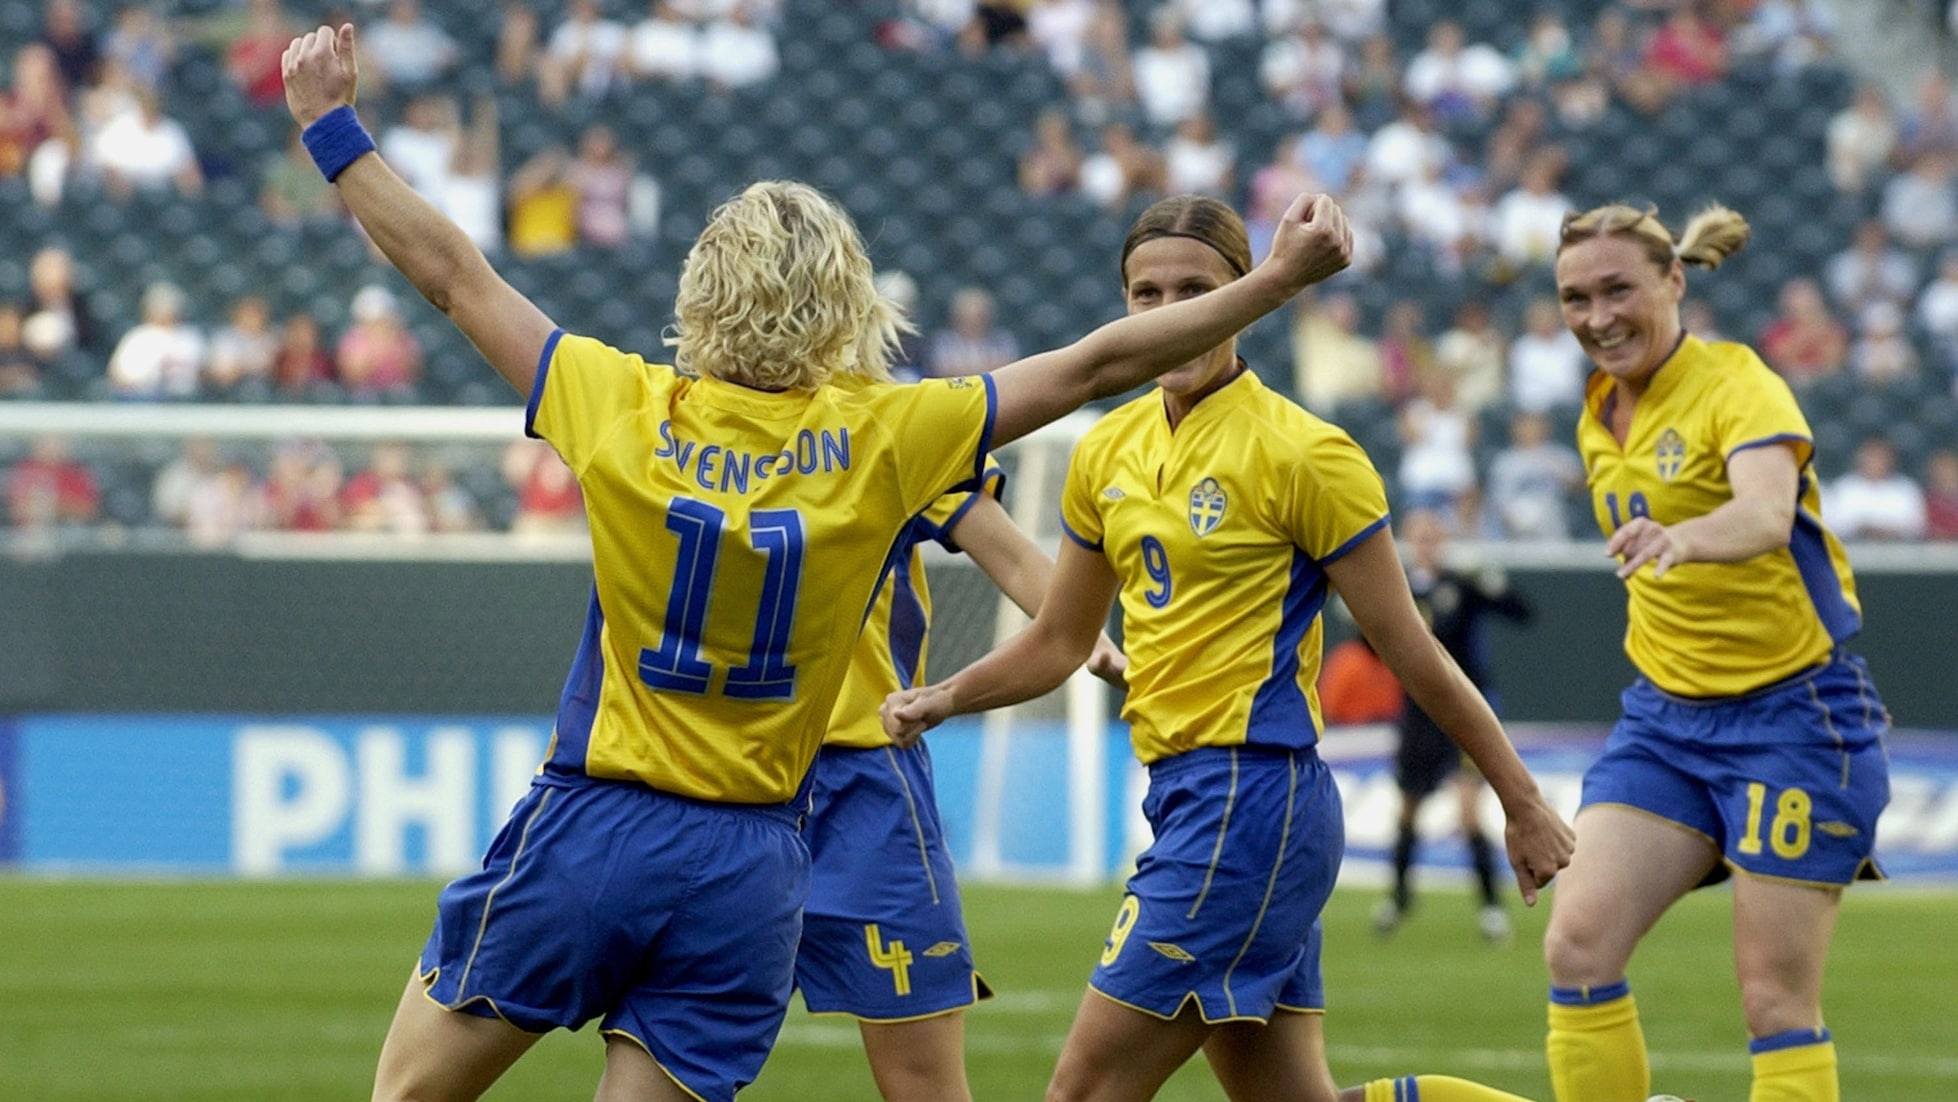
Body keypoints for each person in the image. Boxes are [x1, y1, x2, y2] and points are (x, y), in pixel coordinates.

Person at [279, 24, 1354, 1102]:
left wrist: (333, 128)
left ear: (699, 290)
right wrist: (1273, 283)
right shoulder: (890, 437)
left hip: (597, 823)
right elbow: (1094, 365)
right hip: (753, 865)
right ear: (850, 305)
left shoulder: (616, 403)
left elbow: (453, 277)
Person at [882, 194, 1574, 1102]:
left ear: (1245, 291)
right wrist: (946, 696)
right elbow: (1060, 640)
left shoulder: (1308, 455)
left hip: (1253, 800)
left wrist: (1519, 798)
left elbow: (1413, 651)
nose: (1169, 314)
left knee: (1082, 1093)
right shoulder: (1105, 454)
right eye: (1146, 294)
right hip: (1187, 799)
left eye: (1195, 289)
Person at [1543, 201, 1892, 1102]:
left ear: (1674, 281)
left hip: (1793, 717)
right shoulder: (1598, 408)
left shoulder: (1738, 382)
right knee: (1577, 944)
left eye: (1618, 289)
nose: (1597, 316)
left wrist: (1684, 538)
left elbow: (1767, 512)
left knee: (1775, 999)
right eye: (1575, 298)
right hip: (1664, 720)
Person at [797, 456, 1124, 1102]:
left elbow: (1013, 556)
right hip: (733, 782)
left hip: (867, 781)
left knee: (922, 1078)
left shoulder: (896, 433)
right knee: (683, 1048)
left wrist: (1081, 634)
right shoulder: (703, 427)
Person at [1371, 508, 1533, 944]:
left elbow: (1522, 612)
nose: (1426, 543)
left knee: (1468, 813)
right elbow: (1369, 644)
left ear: (1442, 541)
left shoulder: (1462, 584)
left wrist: (1492, 580)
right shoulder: (1395, 589)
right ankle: (1399, 898)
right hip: (1418, 716)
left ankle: (1491, 909)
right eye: (1418, 535)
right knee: (1407, 811)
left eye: (1432, 535)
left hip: (1463, 714)